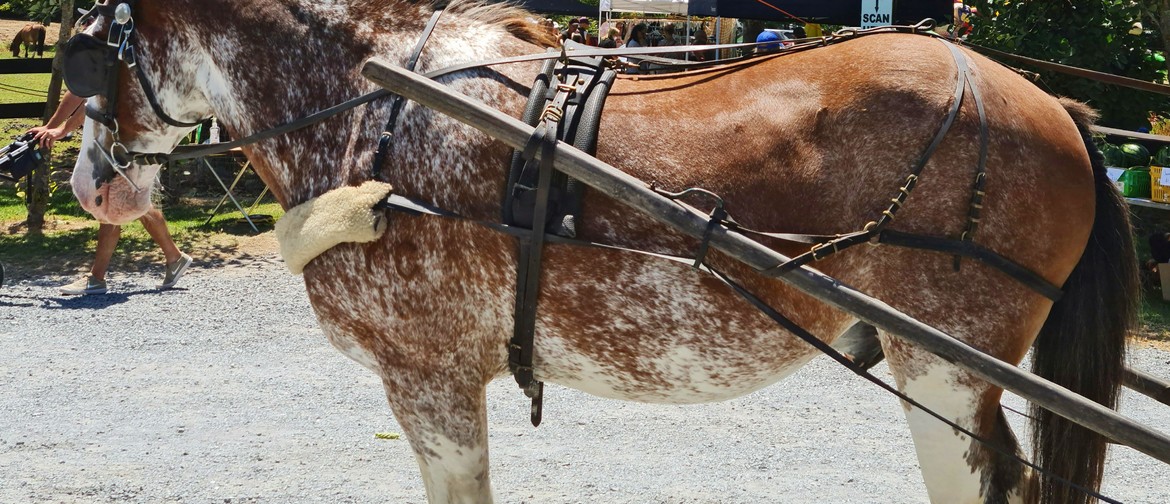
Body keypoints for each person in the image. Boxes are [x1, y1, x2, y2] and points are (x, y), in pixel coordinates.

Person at [28, 91, 193, 295]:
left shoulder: (107, 60)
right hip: (122, 133)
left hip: (124, 135)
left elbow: (85, 96)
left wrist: (59, 129)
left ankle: (96, 278)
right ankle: (174, 257)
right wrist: (55, 128)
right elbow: (85, 96)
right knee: (132, 198)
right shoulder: (104, 63)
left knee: (111, 199)